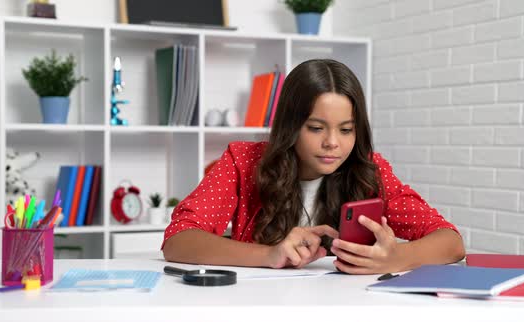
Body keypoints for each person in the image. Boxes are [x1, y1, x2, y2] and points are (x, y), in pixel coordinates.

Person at [162, 59, 465, 274]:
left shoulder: (370, 169)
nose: (333, 143)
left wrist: (397, 257)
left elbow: (450, 242)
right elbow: (178, 240)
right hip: (260, 315)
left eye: (346, 130)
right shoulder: (242, 161)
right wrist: (270, 254)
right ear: (291, 126)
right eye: (316, 128)